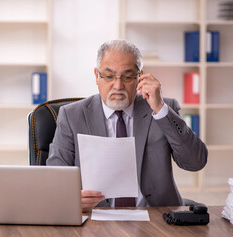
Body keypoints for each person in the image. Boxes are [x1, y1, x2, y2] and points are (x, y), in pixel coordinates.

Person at [46, 39, 208, 212]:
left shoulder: (162, 109)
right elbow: (55, 179)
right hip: (97, 218)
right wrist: (72, 198)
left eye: (128, 76)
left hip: (156, 218)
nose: (118, 85)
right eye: (109, 76)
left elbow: (195, 162)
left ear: (140, 77)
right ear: (96, 76)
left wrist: (160, 109)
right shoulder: (72, 115)